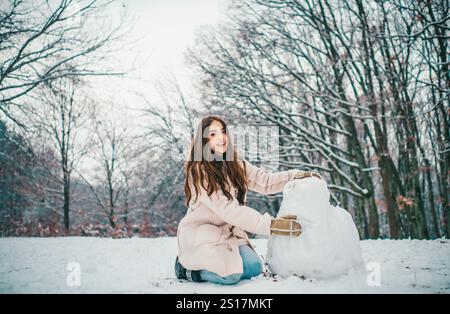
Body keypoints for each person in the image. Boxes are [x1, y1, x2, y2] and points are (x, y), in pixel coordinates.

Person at [174, 115, 320, 285]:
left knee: (253, 267)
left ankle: (215, 262)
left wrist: (294, 176)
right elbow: (230, 210)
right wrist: (271, 225)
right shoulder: (200, 172)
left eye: (222, 132)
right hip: (202, 234)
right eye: (213, 134)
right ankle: (187, 270)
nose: (221, 138)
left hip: (226, 233)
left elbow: (264, 181)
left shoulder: (235, 162)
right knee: (231, 276)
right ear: (203, 140)